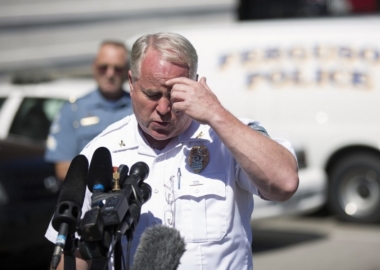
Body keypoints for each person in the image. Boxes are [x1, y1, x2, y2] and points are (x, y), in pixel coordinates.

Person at [45, 32, 299, 270]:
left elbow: (284, 183)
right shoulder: (102, 152)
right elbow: (73, 253)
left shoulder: (228, 136)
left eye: (175, 94)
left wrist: (215, 114)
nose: (164, 108)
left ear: (196, 86)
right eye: (152, 94)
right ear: (131, 83)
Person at [45, 40, 133, 181]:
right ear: (94, 67)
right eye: (103, 67)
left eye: (117, 68)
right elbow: (62, 168)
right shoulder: (73, 110)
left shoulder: (138, 108)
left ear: (127, 71)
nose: (110, 74)